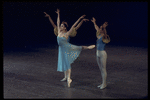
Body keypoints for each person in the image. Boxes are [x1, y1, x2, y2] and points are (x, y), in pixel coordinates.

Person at [56, 9, 95, 87]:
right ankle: (66, 77)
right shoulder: (59, 32)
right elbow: (57, 22)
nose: (60, 26)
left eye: (62, 26)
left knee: (69, 60)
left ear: (65, 28)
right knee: (64, 63)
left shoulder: (66, 34)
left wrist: (80, 18)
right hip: (61, 50)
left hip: (67, 48)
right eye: (61, 26)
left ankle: (69, 79)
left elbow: (74, 26)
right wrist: (58, 14)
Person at [91, 17, 110, 89]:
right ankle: (103, 83)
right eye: (100, 28)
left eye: (101, 28)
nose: (100, 29)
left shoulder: (105, 36)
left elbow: (105, 33)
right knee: (101, 69)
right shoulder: (98, 35)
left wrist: (104, 28)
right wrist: (94, 22)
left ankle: (104, 84)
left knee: (103, 69)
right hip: (97, 53)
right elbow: (96, 28)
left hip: (102, 54)